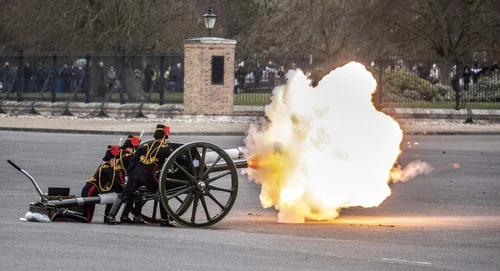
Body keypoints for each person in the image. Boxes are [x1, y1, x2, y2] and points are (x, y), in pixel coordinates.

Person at [107, 124, 176, 227]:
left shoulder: (144, 146)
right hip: (148, 176)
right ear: (164, 137)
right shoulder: (165, 149)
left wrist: (129, 175)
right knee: (161, 194)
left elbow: (133, 162)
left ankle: (111, 217)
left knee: (124, 195)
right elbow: (176, 158)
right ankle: (164, 219)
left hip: (135, 175)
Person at [80, 145, 124, 223]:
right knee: (87, 219)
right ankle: (64, 213)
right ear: (112, 159)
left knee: (86, 217)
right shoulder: (107, 168)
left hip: (91, 191)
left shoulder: (106, 166)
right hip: (90, 192)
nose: (118, 162)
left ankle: (107, 217)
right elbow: (116, 182)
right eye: (117, 159)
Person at [115, 134, 141, 224]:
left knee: (132, 193)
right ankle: (136, 217)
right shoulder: (129, 157)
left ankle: (124, 216)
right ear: (132, 148)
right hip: (122, 181)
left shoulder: (120, 154)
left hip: (117, 180)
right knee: (137, 193)